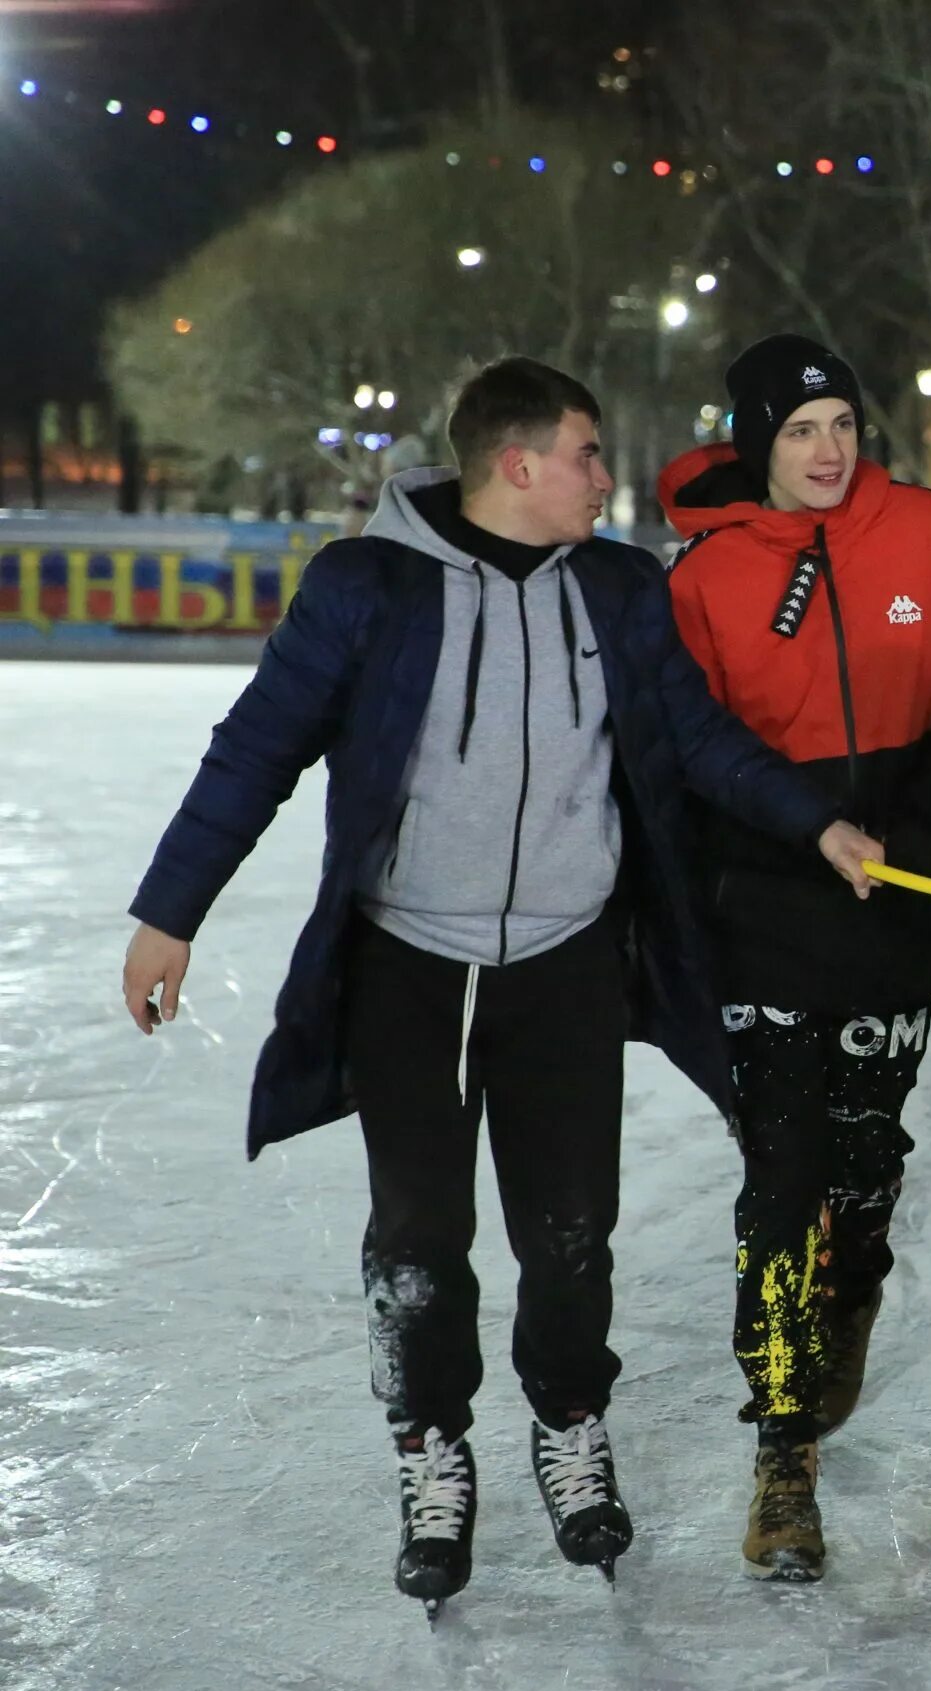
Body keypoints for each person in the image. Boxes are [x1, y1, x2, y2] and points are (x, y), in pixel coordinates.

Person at [119, 357, 875, 1620]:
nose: (603, 476)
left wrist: (817, 825)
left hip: (568, 965)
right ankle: (430, 1449)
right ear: (518, 464)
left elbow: (691, 738)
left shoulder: (621, 589)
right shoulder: (369, 588)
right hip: (408, 965)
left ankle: (571, 1426)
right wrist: (167, 912)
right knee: (421, 1244)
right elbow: (257, 746)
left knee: (571, 1236)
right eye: (585, 453)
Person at [657, 333, 931, 1584]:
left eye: (842, 425)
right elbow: (695, 744)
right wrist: (799, 830)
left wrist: (924, 815)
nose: (828, 450)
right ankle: (780, 1447)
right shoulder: (706, 574)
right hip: (768, 896)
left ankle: (854, 1281)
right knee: (782, 1178)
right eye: (801, 430)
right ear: (758, 440)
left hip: (904, 890)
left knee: (865, 1164)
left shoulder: (927, 529)